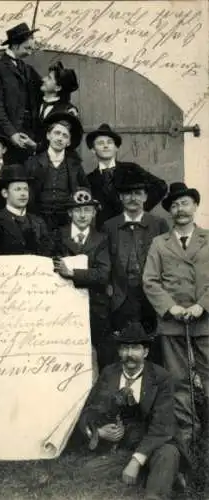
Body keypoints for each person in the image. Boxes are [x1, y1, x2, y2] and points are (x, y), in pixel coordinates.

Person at [79, 322, 187, 500]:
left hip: (156, 442)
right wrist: (99, 432)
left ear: (145, 352)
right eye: (125, 348)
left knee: (168, 453)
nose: (130, 354)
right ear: (119, 352)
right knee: (89, 471)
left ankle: (154, 492)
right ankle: (162, 474)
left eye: (135, 348)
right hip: (124, 446)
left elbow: (162, 425)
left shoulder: (162, 378)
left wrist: (136, 461)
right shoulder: (109, 373)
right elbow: (89, 410)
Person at [143, 182, 209, 448]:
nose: (180, 209)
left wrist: (201, 306)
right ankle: (188, 435)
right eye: (174, 205)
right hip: (172, 324)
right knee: (178, 379)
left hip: (205, 322)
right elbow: (150, 281)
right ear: (169, 211)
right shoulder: (160, 243)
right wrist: (172, 308)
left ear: (195, 206)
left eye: (185, 203)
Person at [103, 163, 168, 364]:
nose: (133, 198)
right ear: (121, 198)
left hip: (150, 296)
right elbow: (104, 261)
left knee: (153, 346)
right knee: (122, 348)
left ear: (146, 197)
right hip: (121, 296)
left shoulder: (158, 224)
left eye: (138, 193)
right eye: (128, 194)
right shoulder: (109, 226)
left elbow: (166, 261)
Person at [53, 188, 111, 370]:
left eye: (87, 210)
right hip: (63, 307)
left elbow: (103, 274)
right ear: (70, 212)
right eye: (78, 210)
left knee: (100, 355)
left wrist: (73, 273)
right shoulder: (57, 236)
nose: (83, 215)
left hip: (94, 307)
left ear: (94, 213)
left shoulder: (102, 239)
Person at [86, 123, 167, 230]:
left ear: (116, 148)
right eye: (100, 143)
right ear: (93, 149)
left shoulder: (131, 168)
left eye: (110, 142)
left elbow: (161, 186)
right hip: (103, 233)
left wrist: (138, 207)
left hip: (131, 229)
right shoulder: (88, 179)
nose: (105, 146)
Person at [0, 22, 42, 162]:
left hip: (29, 137)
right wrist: (12, 133)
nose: (30, 52)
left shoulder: (28, 69)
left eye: (31, 48)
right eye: (27, 48)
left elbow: (48, 87)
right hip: (7, 137)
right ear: (15, 46)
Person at [25, 111, 89, 235]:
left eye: (65, 136)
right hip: (39, 219)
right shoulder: (32, 162)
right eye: (57, 133)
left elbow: (85, 190)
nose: (60, 138)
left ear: (69, 142)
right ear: (48, 136)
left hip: (67, 220)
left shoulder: (75, 165)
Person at [0, 164, 52, 256]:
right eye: (17, 189)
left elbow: (46, 255)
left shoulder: (38, 222)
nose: (23, 194)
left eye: (25, 189)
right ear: (5, 193)